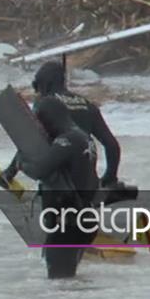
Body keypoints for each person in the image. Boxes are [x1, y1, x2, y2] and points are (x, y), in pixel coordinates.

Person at [0, 60, 121, 188]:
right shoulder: (87, 105)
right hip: (85, 180)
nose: (37, 92)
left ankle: (7, 175)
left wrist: (11, 171)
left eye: (37, 86)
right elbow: (112, 145)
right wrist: (110, 177)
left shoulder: (46, 104)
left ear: (45, 84)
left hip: (58, 181)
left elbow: (31, 140)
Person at [19, 96, 99, 279]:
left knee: (60, 284)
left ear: (48, 118)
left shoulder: (66, 141)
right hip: (84, 219)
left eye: (38, 121)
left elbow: (39, 170)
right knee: (68, 281)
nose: (38, 128)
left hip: (68, 224)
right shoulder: (84, 137)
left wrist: (21, 163)